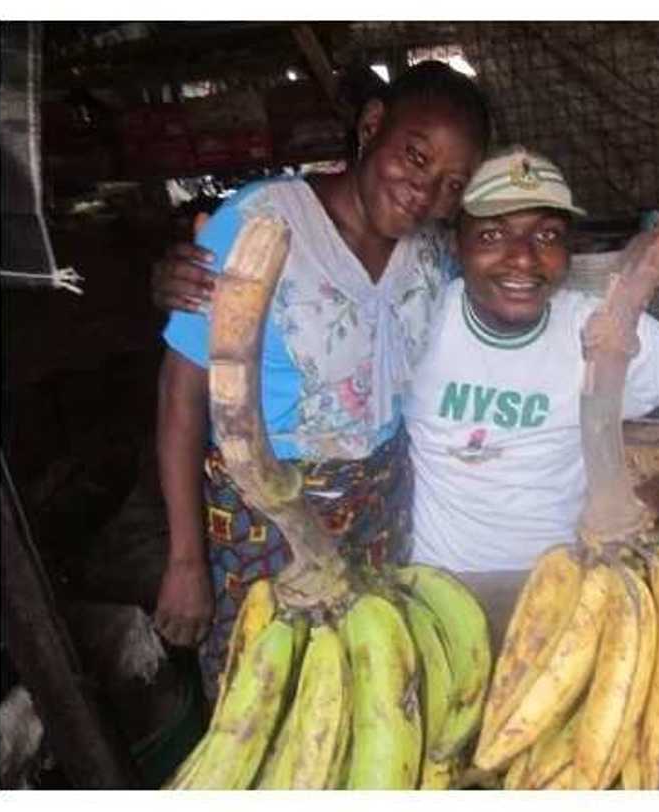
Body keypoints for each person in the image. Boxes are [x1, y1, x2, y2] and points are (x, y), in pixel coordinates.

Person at [155, 144, 659, 648]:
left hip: (568, 587)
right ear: (455, 244)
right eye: (493, 234)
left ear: (570, 249)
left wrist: (657, 493)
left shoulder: (606, 329)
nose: (522, 259)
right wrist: (187, 277)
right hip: (431, 596)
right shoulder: (416, 313)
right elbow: (310, 312)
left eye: (547, 234)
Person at [153, 60, 491, 702]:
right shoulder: (262, 223)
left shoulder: (433, 256)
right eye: (416, 158)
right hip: (265, 512)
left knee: (370, 690)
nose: (427, 193)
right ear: (371, 126)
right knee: (265, 696)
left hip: (384, 505)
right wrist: (185, 559)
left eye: (453, 184)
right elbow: (180, 391)